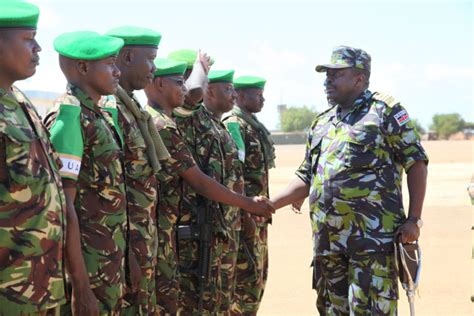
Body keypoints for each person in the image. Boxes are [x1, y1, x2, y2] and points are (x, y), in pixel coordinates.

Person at [271, 46, 428, 315]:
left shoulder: (384, 112)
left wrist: (414, 219)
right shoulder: (321, 122)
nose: (327, 81)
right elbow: (307, 174)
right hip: (328, 246)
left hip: (371, 244)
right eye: (326, 75)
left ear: (359, 79)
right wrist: (270, 203)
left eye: (336, 74)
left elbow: (416, 162)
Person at [144, 59, 273, 314]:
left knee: (218, 300)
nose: (184, 89)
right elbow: (198, 180)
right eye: (179, 81)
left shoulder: (206, 122)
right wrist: (200, 66)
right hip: (183, 233)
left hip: (219, 224)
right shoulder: (165, 122)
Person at [0, 4, 97, 315]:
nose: (38, 48)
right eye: (29, 38)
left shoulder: (20, 103)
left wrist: (78, 284)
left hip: (41, 291)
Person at [43, 31, 127, 315]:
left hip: (107, 263)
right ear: (83, 68)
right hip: (88, 269)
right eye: (110, 63)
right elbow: (64, 206)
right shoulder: (71, 116)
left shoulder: (96, 114)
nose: (117, 71)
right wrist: (80, 285)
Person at [104, 26, 169, 316]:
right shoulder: (111, 108)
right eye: (151, 59)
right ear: (128, 57)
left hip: (141, 243)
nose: (154, 69)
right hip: (122, 249)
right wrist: (127, 250)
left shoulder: (132, 107)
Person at [223, 75, 275, 315]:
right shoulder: (234, 123)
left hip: (257, 217)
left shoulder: (252, 124)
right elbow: (236, 173)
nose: (263, 99)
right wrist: (245, 217)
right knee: (245, 284)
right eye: (258, 94)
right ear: (241, 96)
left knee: (258, 277)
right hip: (245, 219)